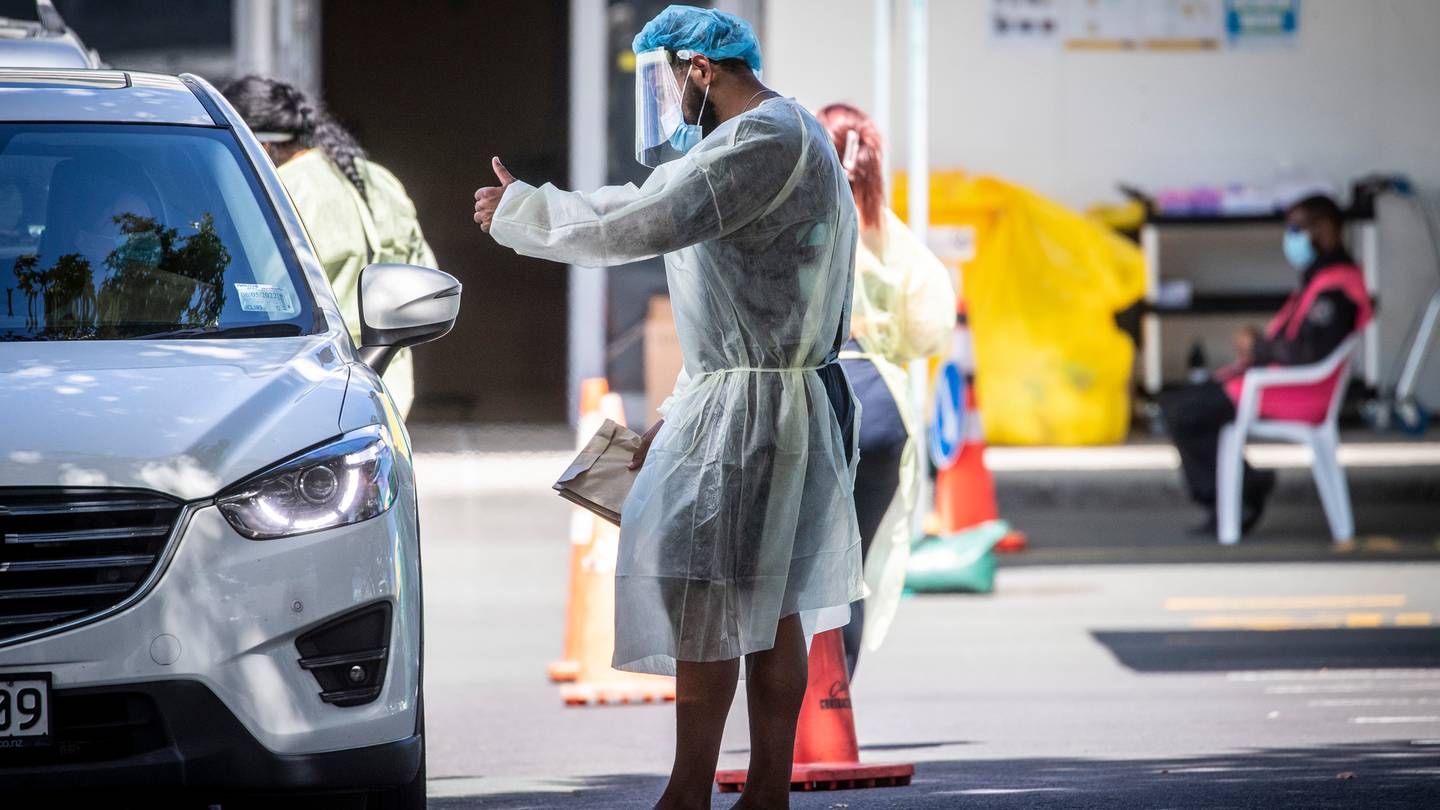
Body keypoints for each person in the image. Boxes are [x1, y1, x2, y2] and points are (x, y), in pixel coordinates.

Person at [473, 6, 863, 808]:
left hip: (757, 409)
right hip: (757, 395)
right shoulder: (769, 137)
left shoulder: (762, 141)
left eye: (665, 79)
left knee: (710, 598)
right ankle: (763, 790)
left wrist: (530, 214)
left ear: (700, 69)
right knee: (766, 597)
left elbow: (645, 218)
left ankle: (692, 790)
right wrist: (680, 408)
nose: (665, 103)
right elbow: (724, 285)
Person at [816, 103, 954, 677]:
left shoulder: (805, 223)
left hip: (816, 395)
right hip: (884, 407)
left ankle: (792, 717)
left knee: (801, 565)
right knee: (854, 566)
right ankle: (834, 708)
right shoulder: (889, 233)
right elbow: (932, 326)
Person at [223, 76, 436, 418]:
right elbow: (426, 272)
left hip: (313, 383)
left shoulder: (278, 188)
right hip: (391, 382)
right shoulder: (380, 178)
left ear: (260, 147)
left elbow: (259, 297)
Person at [1159, 194, 1373, 534]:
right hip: (1276, 383)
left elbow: (1310, 352)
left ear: (1327, 230)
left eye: (1297, 228)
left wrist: (1259, 347)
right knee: (1176, 402)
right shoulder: (1322, 278)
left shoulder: (1337, 287)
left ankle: (1240, 493)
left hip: (1293, 393)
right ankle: (1241, 490)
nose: (1291, 237)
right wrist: (1260, 345)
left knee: (1183, 411)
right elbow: (1300, 341)